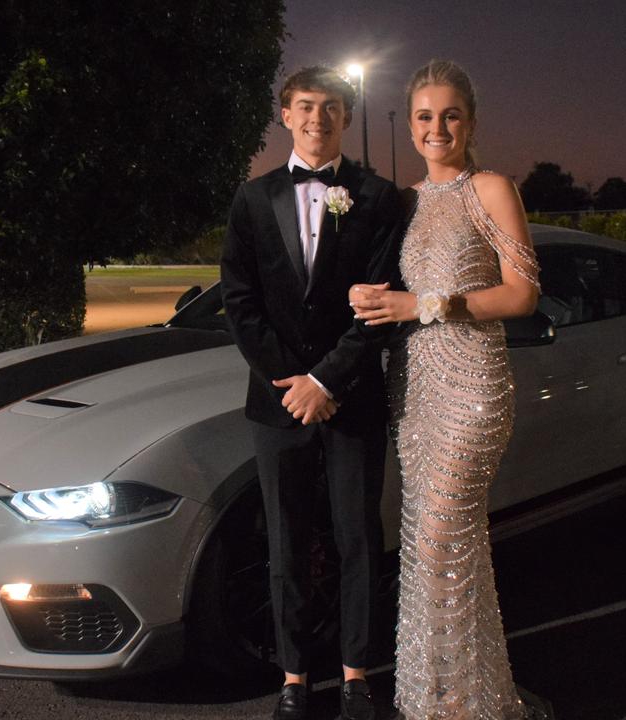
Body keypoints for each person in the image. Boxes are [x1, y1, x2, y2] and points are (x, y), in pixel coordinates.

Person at [349, 60, 542, 720]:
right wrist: (366, 294)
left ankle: (456, 704)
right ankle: (460, 696)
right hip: (415, 391)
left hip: (472, 388)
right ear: (410, 125)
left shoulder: (489, 188)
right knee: (447, 550)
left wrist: (425, 306)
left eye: (450, 114)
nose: (437, 128)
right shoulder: (402, 203)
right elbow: (384, 290)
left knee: (438, 542)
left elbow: (521, 294)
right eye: (425, 116)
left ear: (471, 122)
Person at [220, 66, 404, 720]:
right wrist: (294, 384)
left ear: (346, 116)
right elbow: (241, 307)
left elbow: (378, 306)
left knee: (358, 537)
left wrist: (327, 379)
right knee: (286, 543)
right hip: (276, 404)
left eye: (330, 107)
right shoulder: (251, 200)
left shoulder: (379, 198)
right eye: (304, 106)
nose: (317, 118)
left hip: (351, 397)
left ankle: (357, 673)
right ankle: (293, 677)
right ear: (285, 114)